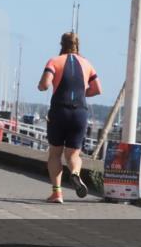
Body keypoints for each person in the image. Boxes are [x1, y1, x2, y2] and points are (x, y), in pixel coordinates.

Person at [38, 32, 101, 204]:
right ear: (77, 45)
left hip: (59, 111)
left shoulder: (54, 61)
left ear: (61, 44)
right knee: (73, 155)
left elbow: (44, 85)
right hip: (80, 112)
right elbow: (97, 89)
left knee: (55, 154)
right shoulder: (87, 63)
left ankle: (57, 193)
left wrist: (41, 86)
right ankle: (75, 174)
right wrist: (82, 93)